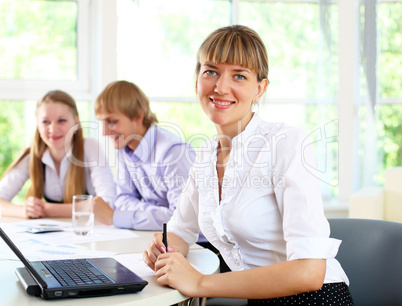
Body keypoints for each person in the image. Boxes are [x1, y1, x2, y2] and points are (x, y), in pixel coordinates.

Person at [143, 25, 354, 305]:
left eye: (239, 75)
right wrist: (163, 249)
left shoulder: (285, 142)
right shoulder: (206, 155)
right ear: (197, 79)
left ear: (260, 88)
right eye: (210, 71)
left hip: (314, 298)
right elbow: (181, 232)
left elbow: (309, 272)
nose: (220, 87)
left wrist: (200, 282)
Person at [93, 80, 196, 231]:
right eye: (103, 122)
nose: (104, 132)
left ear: (137, 116)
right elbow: (122, 200)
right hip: (157, 236)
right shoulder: (124, 148)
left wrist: (115, 216)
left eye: (112, 122)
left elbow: (181, 219)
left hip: (197, 244)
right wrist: (157, 213)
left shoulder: (174, 152)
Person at [0, 90, 115, 219]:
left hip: (88, 231)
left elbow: (107, 203)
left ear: (76, 122)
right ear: (37, 124)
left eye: (61, 120)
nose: (53, 129)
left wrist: (48, 210)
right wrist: (25, 211)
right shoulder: (31, 153)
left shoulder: (90, 147)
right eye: (45, 122)